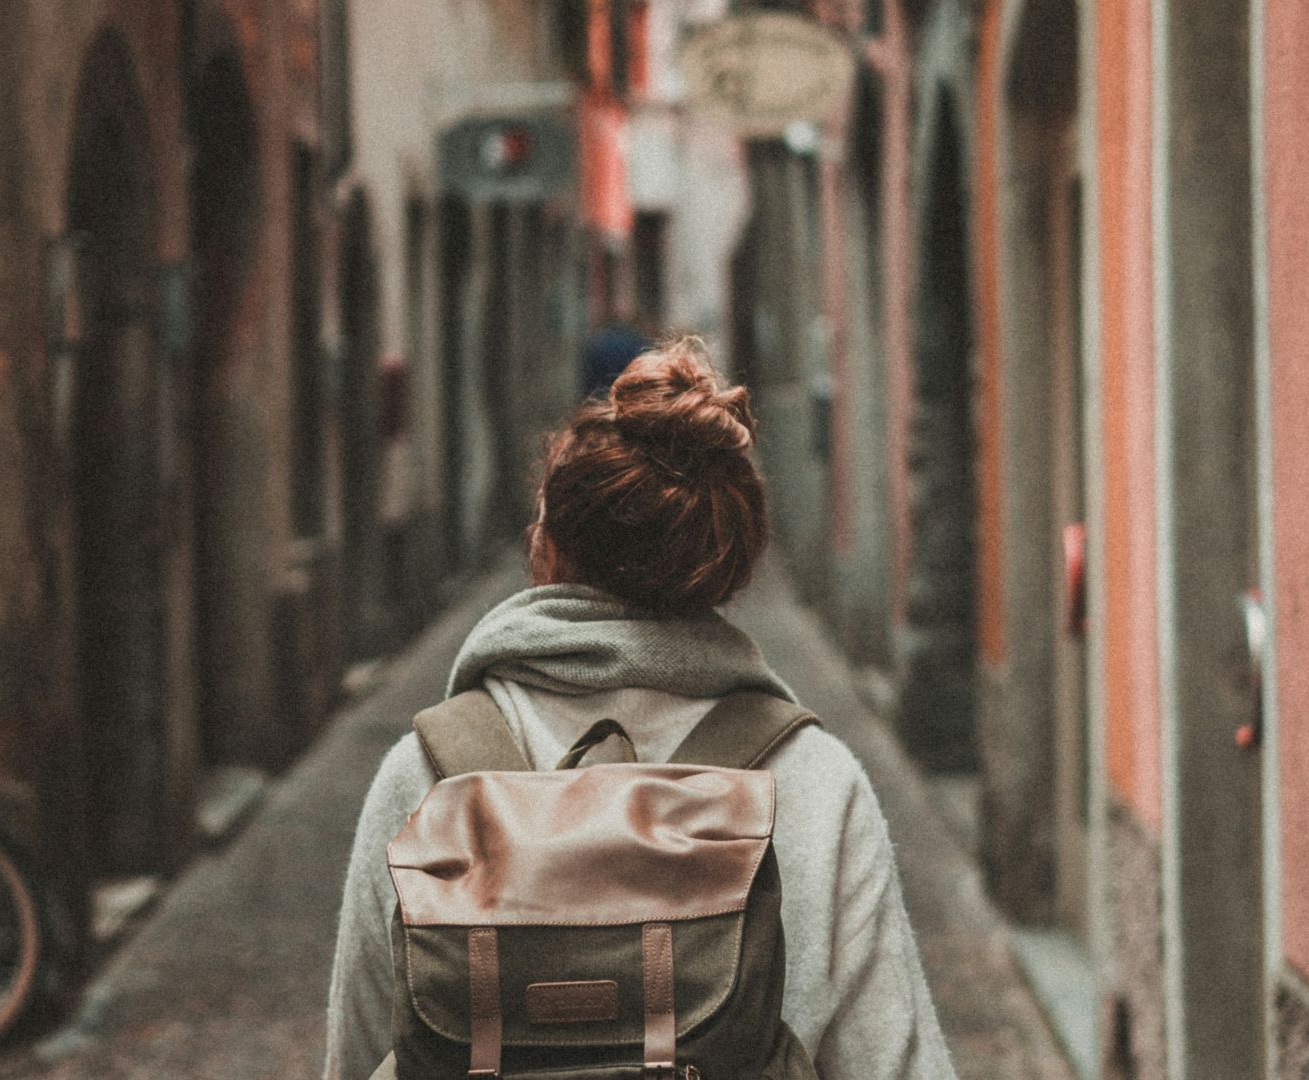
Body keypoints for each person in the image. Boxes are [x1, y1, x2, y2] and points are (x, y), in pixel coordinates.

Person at [322, 338, 959, 1079]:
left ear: (548, 548)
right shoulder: (814, 782)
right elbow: (898, 1060)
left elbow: (359, 1055)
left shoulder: (426, 781)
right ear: (726, 564)